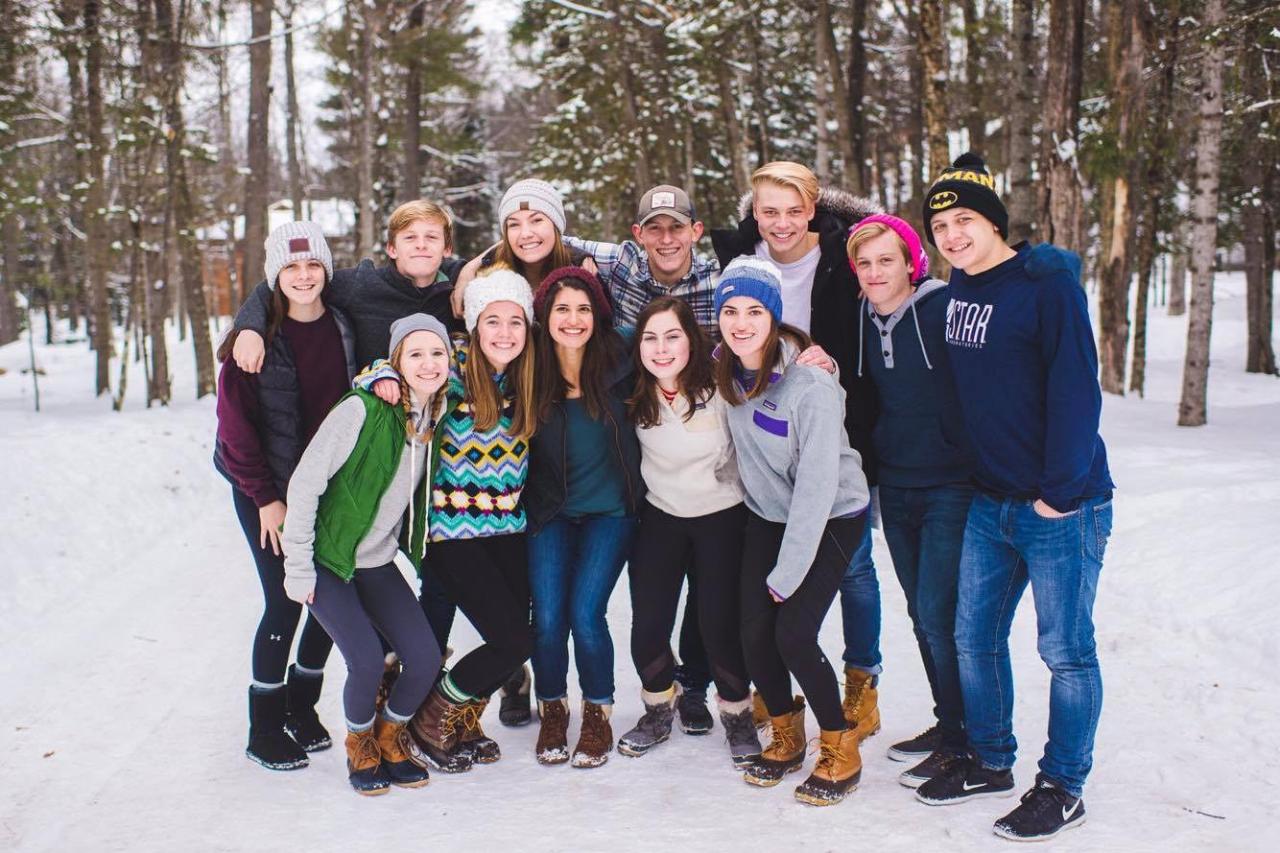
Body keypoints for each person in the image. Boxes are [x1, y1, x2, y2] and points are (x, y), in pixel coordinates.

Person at [912, 153, 1114, 844]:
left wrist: (1057, 493)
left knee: (1065, 650)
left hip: (1061, 505)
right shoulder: (960, 285)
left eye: (965, 219)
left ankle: (1062, 785)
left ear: (994, 221)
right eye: (940, 224)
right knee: (973, 637)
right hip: (988, 502)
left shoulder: (1046, 284)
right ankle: (991, 759)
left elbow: (1077, 393)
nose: (952, 234)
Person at [711, 162, 885, 741]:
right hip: (770, 424)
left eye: (793, 211)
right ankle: (781, 702)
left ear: (813, 210)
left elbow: (898, 276)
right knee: (758, 617)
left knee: (852, 568)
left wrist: (829, 372)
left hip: (831, 413)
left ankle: (861, 678)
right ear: (753, 213)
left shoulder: (843, 255)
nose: (781, 223)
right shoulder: (738, 261)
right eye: (769, 211)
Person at [356, 268, 539, 772]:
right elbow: (395, 365)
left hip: (508, 527)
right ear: (475, 326)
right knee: (512, 639)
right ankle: (431, 717)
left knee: (520, 632)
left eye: (516, 322)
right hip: (450, 530)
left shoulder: (527, 372)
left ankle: (459, 716)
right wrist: (383, 376)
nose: (504, 333)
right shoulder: (455, 364)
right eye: (493, 321)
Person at [713, 257, 870, 807]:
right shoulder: (723, 373)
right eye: (729, 310)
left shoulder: (811, 386)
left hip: (831, 515)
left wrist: (788, 573)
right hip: (767, 514)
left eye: (754, 311)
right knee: (752, 631)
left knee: (793, 633)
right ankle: (785, 730)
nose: (741, 322)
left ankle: (839, 742)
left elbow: (817, 488)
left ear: (774, 317)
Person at [280, 314, 451, 795]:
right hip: (328, 559)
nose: (428, 363)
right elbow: (305, 484)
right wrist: (297, 566)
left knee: (424, 657)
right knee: (367, 659)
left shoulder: (436, 415)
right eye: (415, 354)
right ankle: (360, 744)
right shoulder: (362, 407)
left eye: (437, 352)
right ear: (395, 362)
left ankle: (390, 735)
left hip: (375, 559)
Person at [214, 222, 352, 772]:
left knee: (328, 599)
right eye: (291, 267)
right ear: (275, 275)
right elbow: (234, 431)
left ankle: (302, 707)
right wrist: (267, 498)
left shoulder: (344, 327)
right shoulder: (252, 344)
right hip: (266, 491)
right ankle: (264, 726)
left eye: (312, 265)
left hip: (327, 491)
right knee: (285, 599)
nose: (303, 276)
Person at [845, 214, 975, 787]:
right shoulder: (860, 319)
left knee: (940, 615)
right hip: (895, 484)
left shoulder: (943, 308)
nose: (876, 273)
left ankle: (966, 738)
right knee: (922, 617)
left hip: (950, 483)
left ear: (911, 262)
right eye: (865, 263)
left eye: (886, 261)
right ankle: (949, 724)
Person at [616, 296, 761, 767]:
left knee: (718, 624)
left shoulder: (723, 385)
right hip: (662, 515)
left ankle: (737, 714)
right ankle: (659, 706)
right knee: (649, 623)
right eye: (650, 338)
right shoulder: (634, 393)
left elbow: (776, 361)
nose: (661, 349)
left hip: (723, 515)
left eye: (672, 336)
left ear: (692, 340)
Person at [524, 265, 642, 769]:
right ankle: (553, 708)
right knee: (548, 618)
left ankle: (597, 711)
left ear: (598, 315)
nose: (572, 319)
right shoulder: (528, 367)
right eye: (562, 309)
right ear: (545, 316)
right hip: (549, 511)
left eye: (583, 309)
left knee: (585, 613)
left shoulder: (623, 357)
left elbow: (688, 348)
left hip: (611, 512)